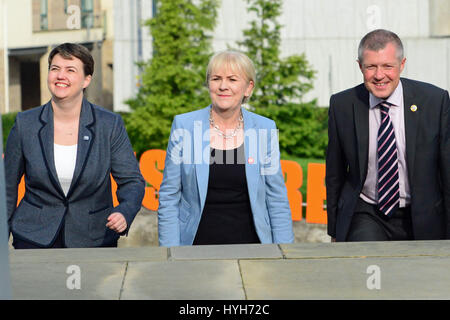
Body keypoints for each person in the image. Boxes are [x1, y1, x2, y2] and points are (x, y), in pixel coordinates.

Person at [5, 43, 145, 248]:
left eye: (70, 70)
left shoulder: (109, 124)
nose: (61, 75)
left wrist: (124, 211)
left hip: (94, 238)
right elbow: (6, 188)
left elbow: (132, 181)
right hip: (33, 238)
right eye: (55, 69)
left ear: (86, 80)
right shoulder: (25, 124)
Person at [158, 50, 294, 247]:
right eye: (216, 79)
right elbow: (169, 197)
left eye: (232, 79)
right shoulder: (184, 126)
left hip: (253, 250)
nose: (223, 86)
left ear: (248, 88)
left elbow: (277, 199)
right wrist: (170, 254)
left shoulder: (264, 129)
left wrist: (284, 253)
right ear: (208, 84)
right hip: (195, 250)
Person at [326, 29, 450, 242]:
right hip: (367, 212)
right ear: (360, 67)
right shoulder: (343, 105)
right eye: (371, 66)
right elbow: (334, 173)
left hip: (423, 213)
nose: (379, 75)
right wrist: (335, 230)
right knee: (368, 265)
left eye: (387, 66)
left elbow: (447, 170)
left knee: (419, 274)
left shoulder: (435, 101)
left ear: (401, 65)